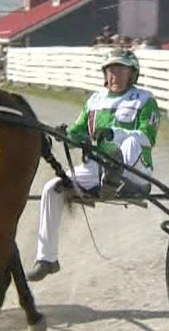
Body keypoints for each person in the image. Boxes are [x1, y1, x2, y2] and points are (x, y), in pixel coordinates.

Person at [27, 49, 161, 282]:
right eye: (110, 70)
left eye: (121, 70)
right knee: (52, 188)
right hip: (96, 169)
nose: (115, 75)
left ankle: (118, 176)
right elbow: (78, 132)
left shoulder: (145, 100)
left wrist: (113, 133)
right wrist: (65, 133)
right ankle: (46, 259)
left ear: (132, 74)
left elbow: (147, 136)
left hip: (136, 170)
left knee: (131, 140)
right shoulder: (94, 101)